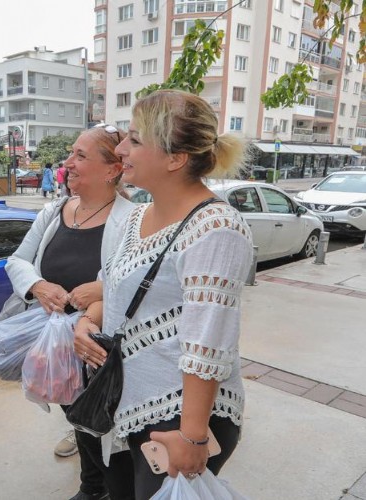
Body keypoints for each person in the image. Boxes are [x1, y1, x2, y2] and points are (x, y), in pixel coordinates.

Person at [74, 89, 253, 500]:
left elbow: (207, 344)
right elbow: (115, 292)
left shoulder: (215, 229)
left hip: (180, 416)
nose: (121, 149)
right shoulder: (136, 214)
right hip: (123, 400)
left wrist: (192, 439)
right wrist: (87, 322)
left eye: (135, 140)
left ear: (175, 158)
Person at [2, 126, 134, 500]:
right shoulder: (55, 210)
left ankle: (100, 488)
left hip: (100, 345)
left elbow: (144, 280)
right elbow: (17, 260)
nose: (67, 162)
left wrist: (103, 290)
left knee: (104, 421)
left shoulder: (132, 220)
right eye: (71, 154)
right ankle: (92, 486)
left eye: (80, 155)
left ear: (112, 169)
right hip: (57, 342)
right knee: (76, 415)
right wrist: (37, 286)